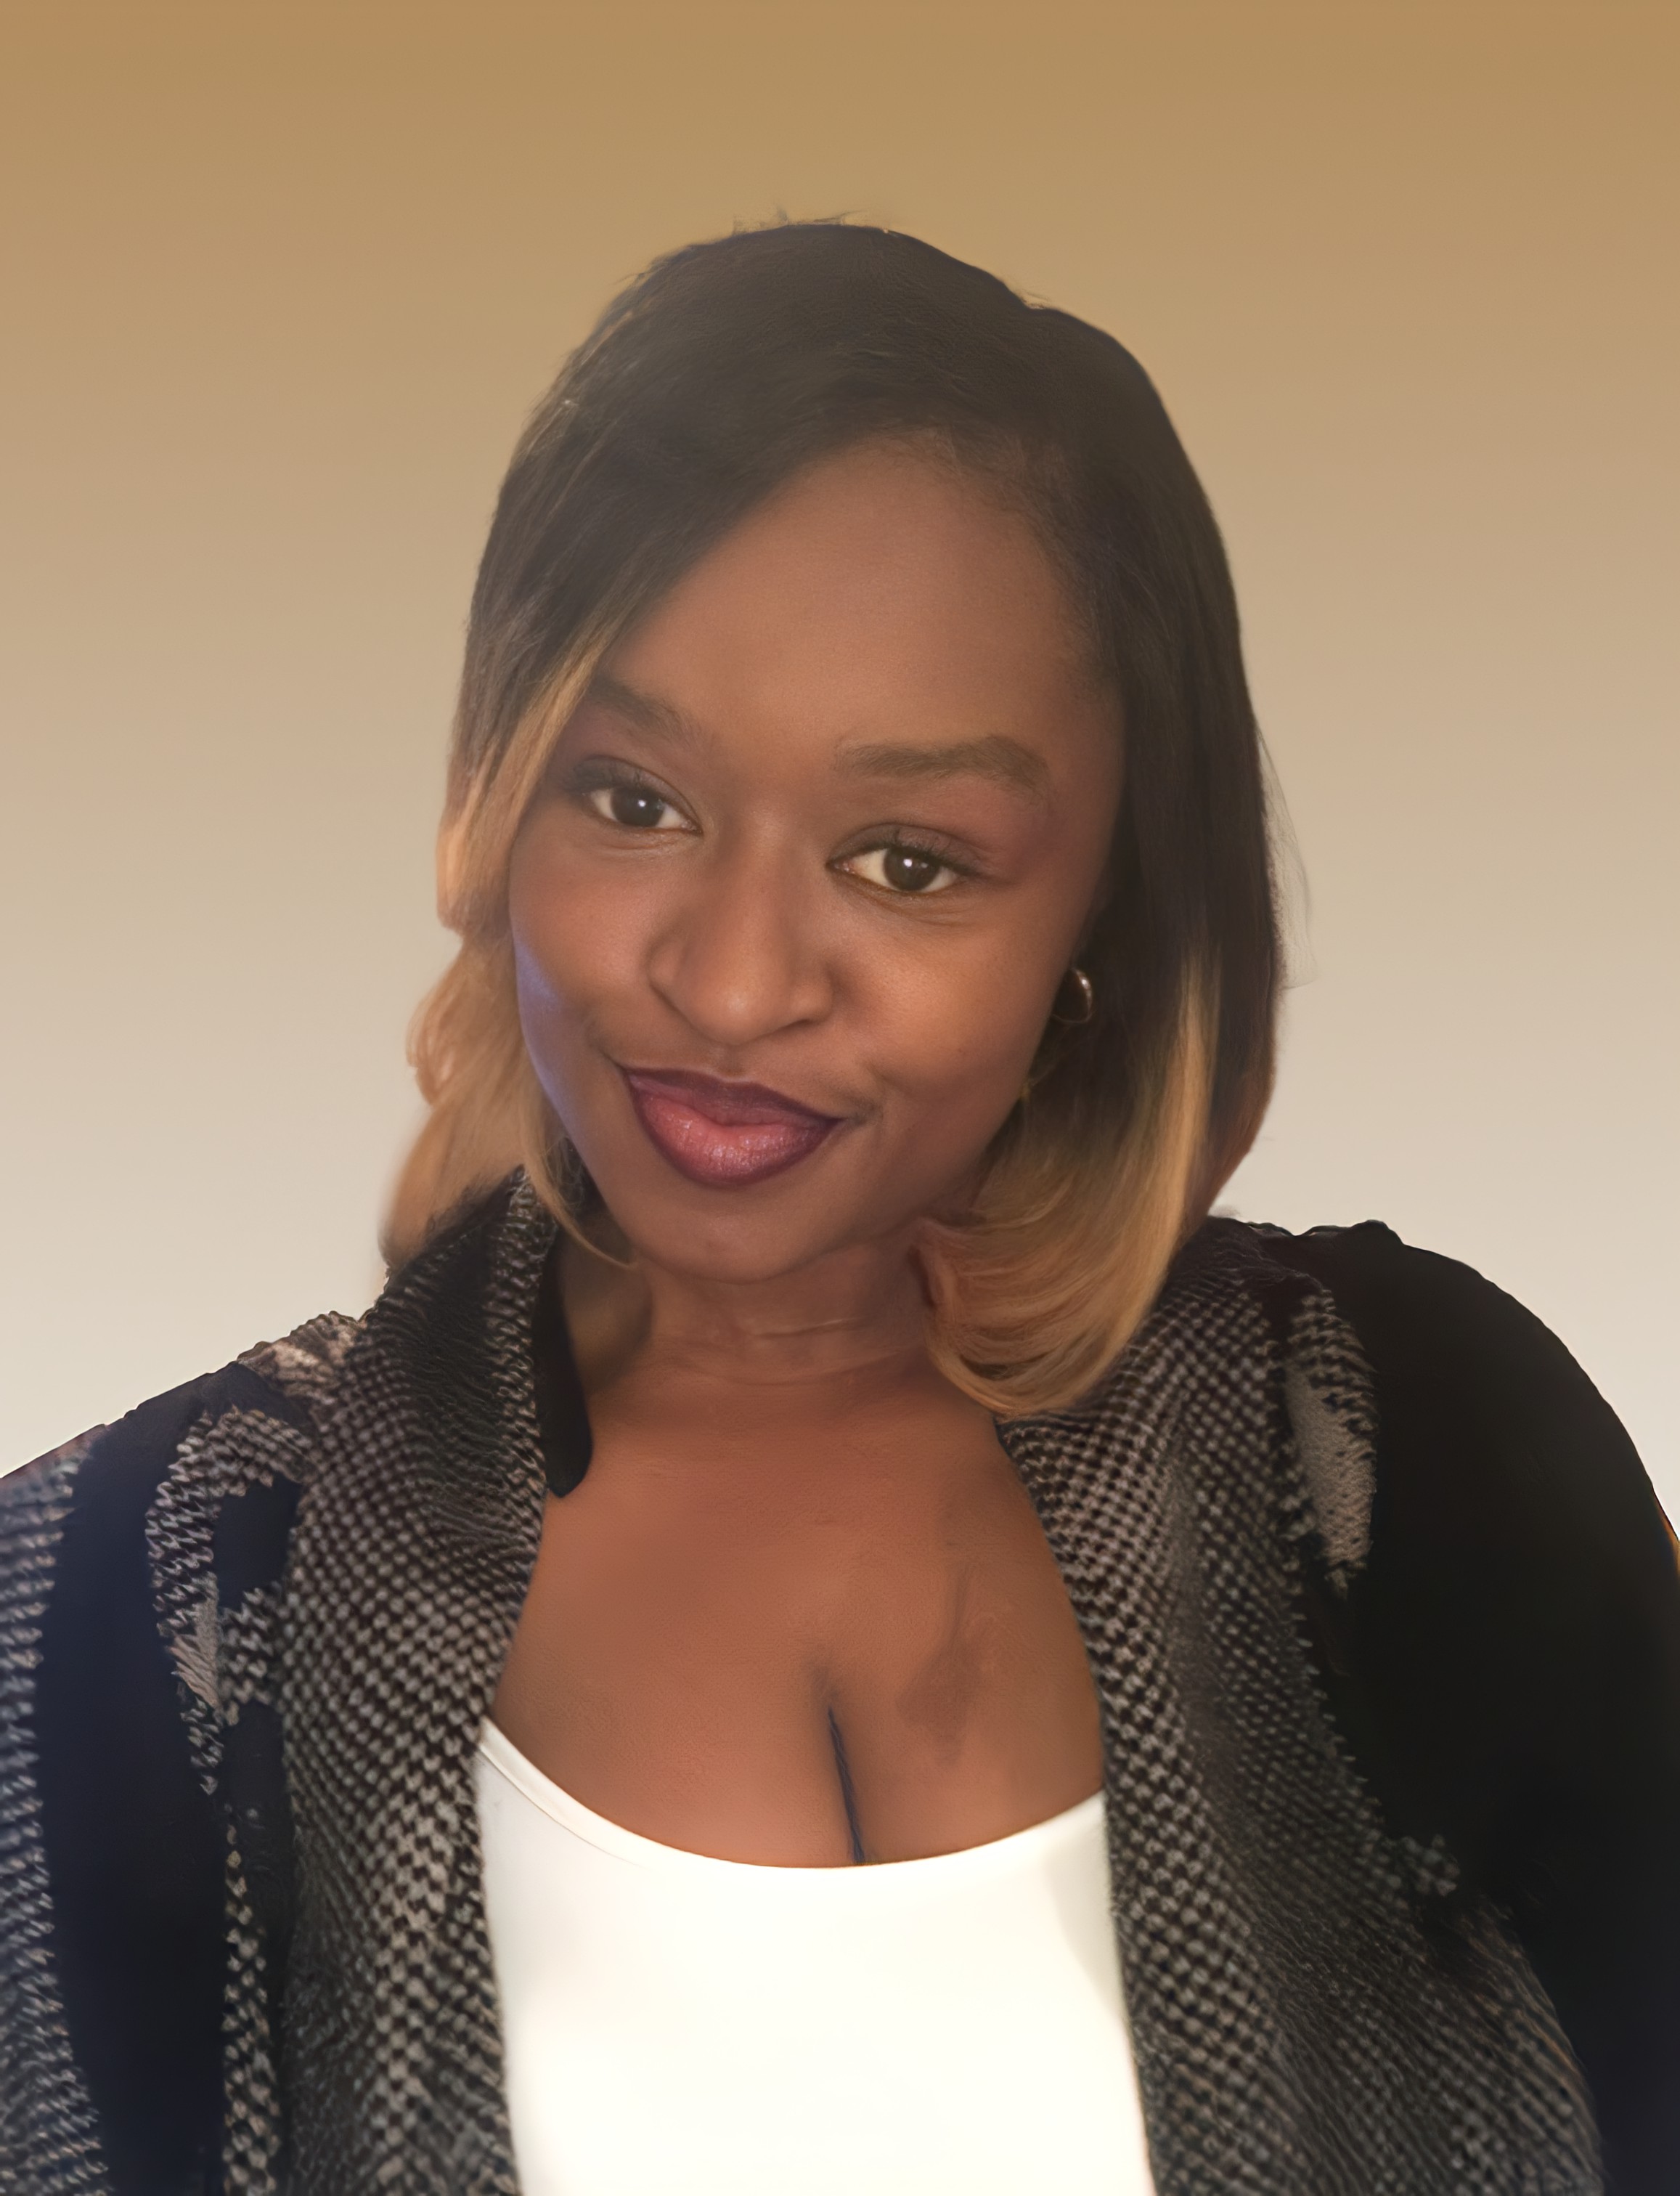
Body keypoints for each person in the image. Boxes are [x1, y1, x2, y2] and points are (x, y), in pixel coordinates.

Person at [2, 221, 1676, 2196]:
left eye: (908, 860)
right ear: (494, 789)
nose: (728, 986)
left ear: (1107, 915)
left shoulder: (1420, 1455)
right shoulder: (123, 1603)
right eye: (633, 799)